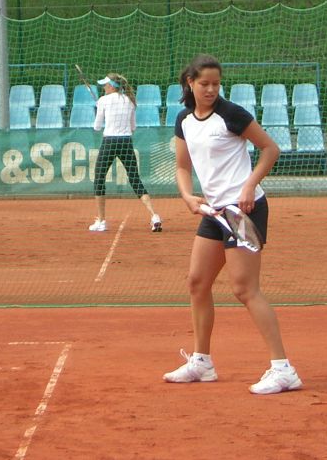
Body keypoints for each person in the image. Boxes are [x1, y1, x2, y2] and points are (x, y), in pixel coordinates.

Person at [163, 54, 302, 395]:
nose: (211, 89)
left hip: (244, 211)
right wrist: (187, 196)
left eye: (215, 84)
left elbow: (270, 149)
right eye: (204, 84)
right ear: (190, 84)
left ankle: (283, 369)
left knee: (244, 289)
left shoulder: (232, 115)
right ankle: (201, 362)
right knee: (197, 283)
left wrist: (249, 185)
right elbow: (182, 166)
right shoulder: (184, 120)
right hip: (214, 213)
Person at [89, 72, 162, 233]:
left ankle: (101, 221)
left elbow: (97, 127)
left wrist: (100, 108)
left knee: (99, 179)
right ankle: (154, 215)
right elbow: (133, 127)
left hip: (109, 142)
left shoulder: (103, 100)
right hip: (126, 141)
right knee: (135, 178)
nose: (103, 87)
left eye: (105, 85)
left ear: (111, 86)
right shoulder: (129, 101)